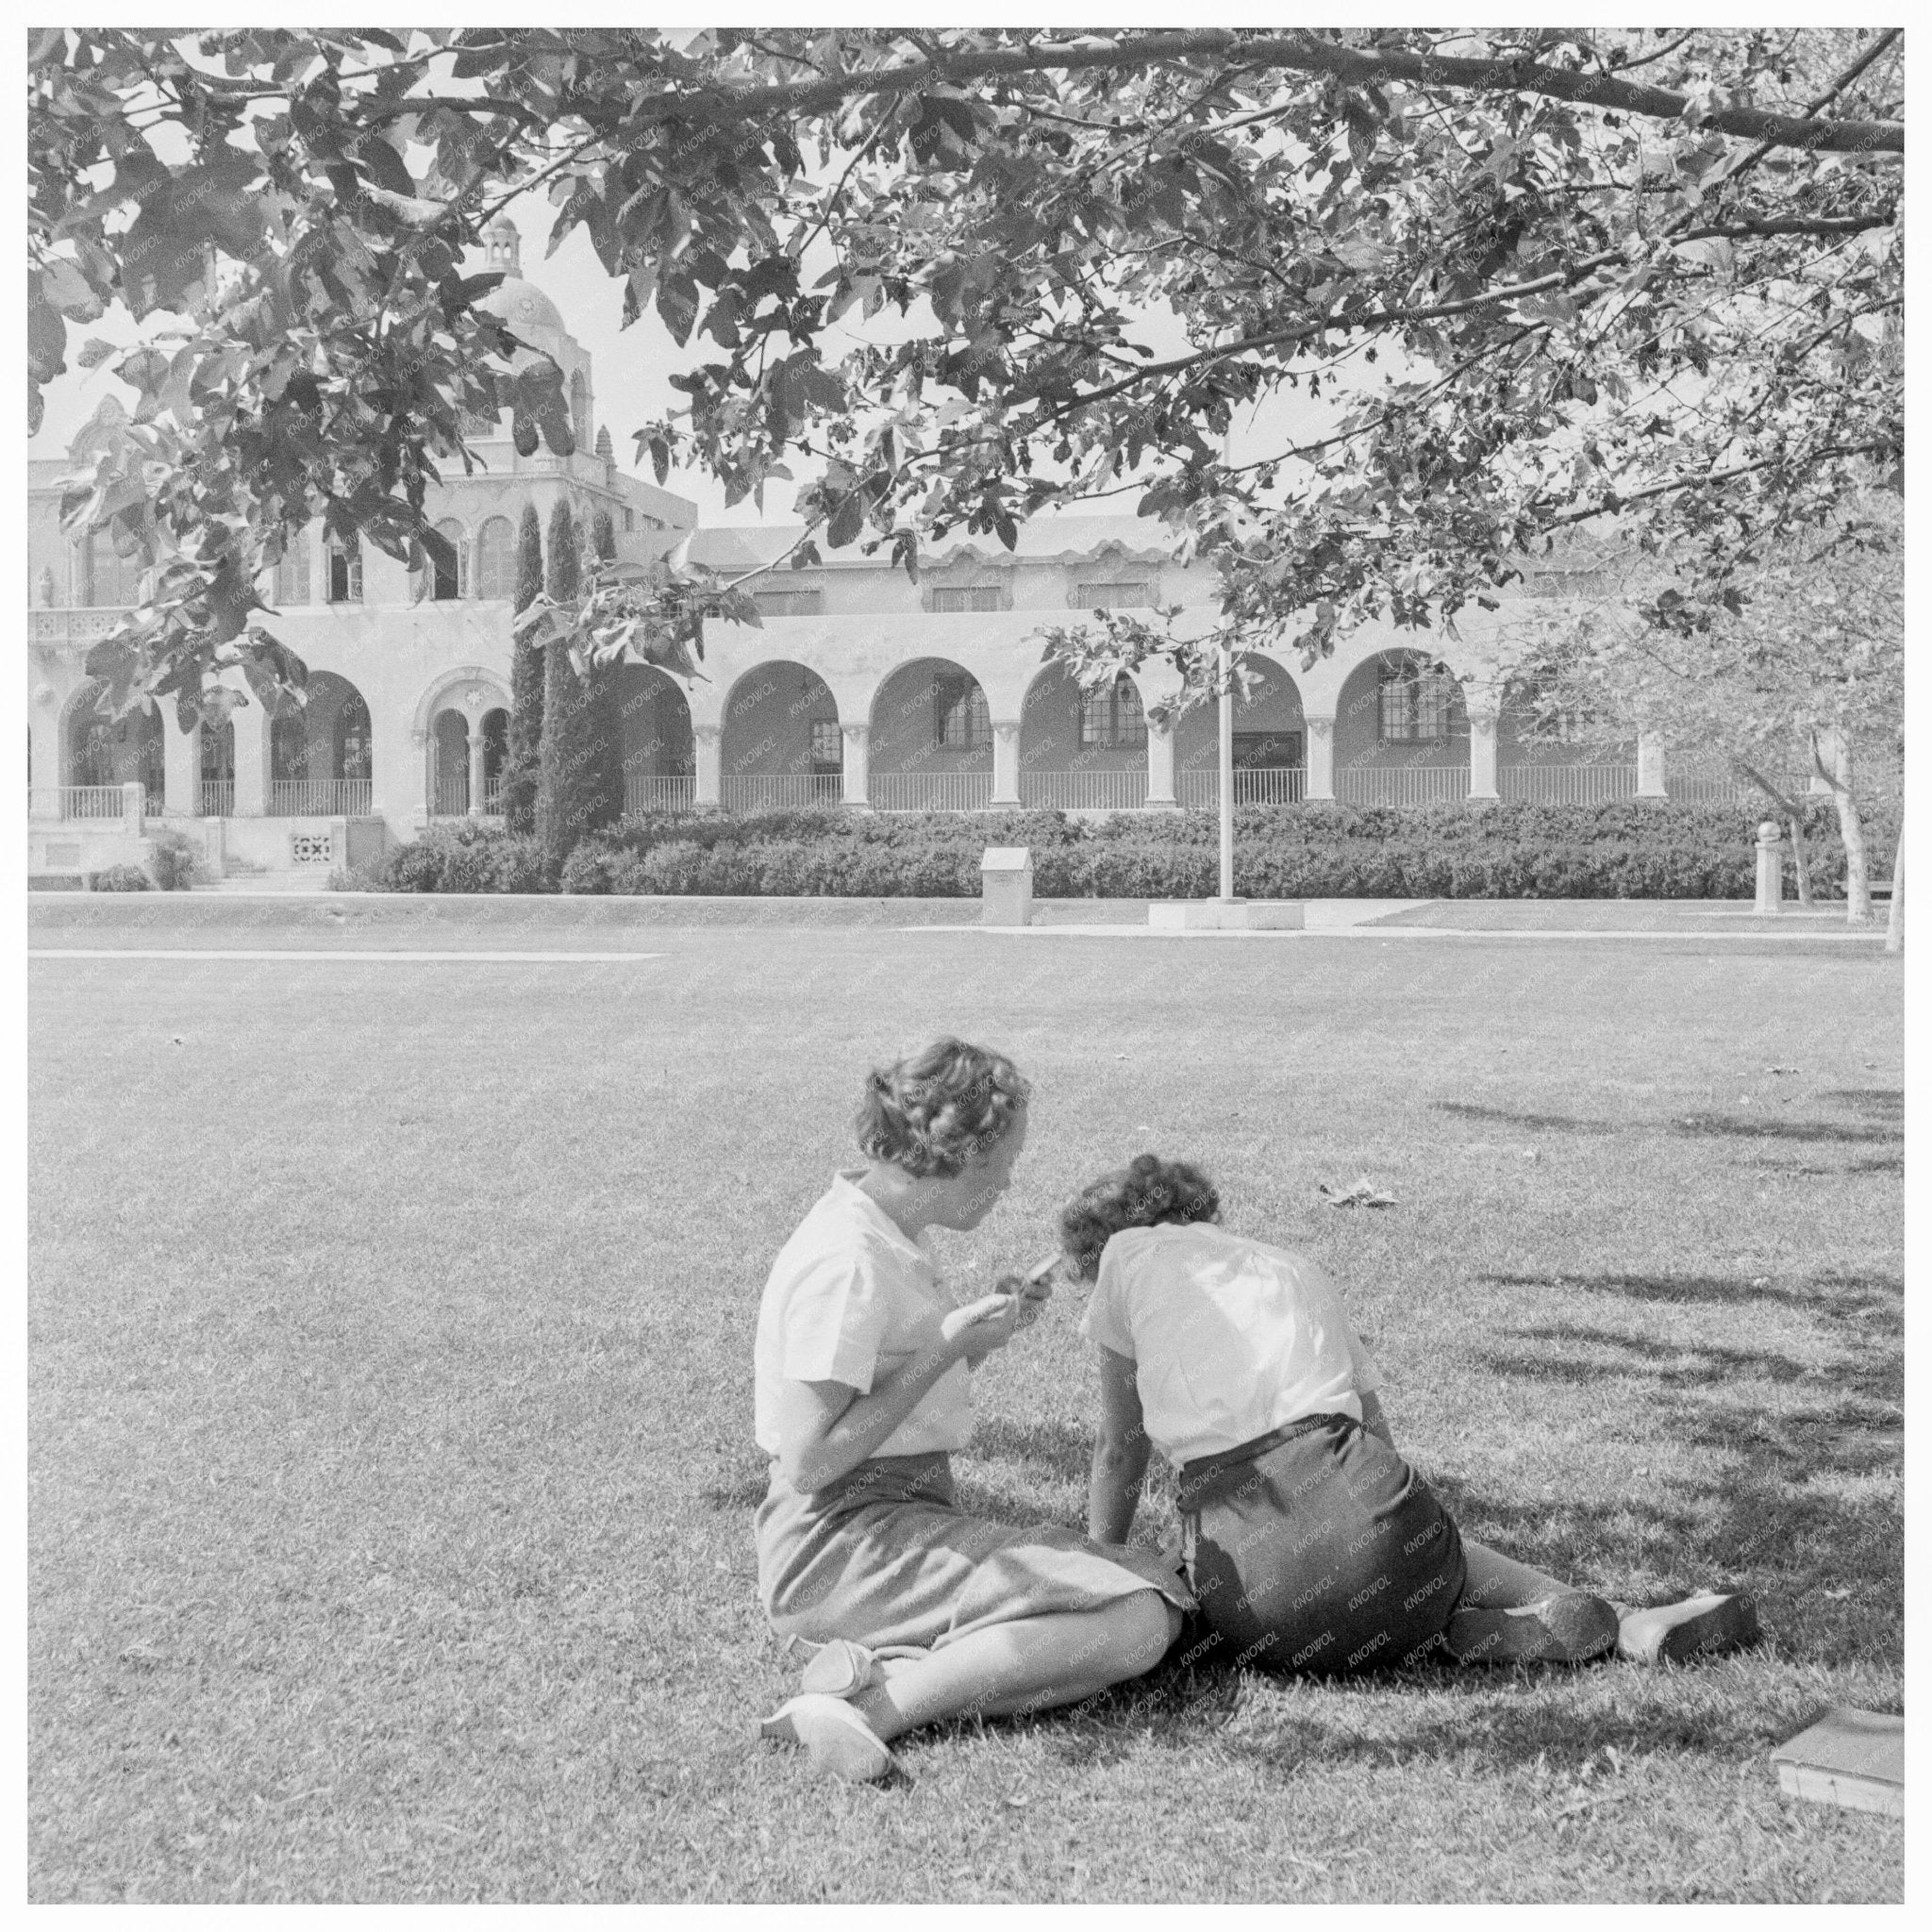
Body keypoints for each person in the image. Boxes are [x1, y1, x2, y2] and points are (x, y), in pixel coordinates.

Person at [1063, 1154, 1759, 1678]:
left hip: (1265, 1603)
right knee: (1414, 1538)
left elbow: (1120, 1448)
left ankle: (1404, 1628)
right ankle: (1611, 1620)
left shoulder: (1127, 1255)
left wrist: (1101, 1561)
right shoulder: (1296, 1269)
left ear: (1107, 1242)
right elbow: (1382, 1452)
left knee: (1179, 1574)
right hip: (1393, 1548)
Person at [753, 1041, 1191, 1782]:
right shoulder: (848, 1262)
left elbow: (889, 1401)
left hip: (886, 1525)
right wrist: (942, 1348)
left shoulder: (886, 1234)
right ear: (955, 1155)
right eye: (1001, 1164)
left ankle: (883, 1663)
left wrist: (975, 1343)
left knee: (1134, 1591)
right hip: (837, 1547)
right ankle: (874, 1709)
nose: (1008, 1183)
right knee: (1138, 1617)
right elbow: (809, 1459)